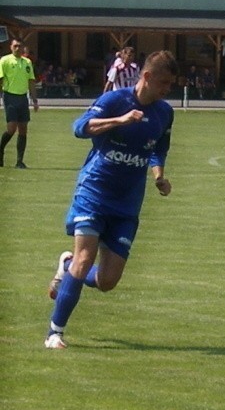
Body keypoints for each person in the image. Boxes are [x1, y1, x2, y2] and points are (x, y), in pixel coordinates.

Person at [44, 50, 179, 349]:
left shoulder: (164, 112)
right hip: (94, 192)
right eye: (164, 83)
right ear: (146, 77)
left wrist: (159, 175)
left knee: (107, 281)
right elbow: (79, 128)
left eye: (170, 84)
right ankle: (55, 332)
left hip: (127, 203)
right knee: (85, 257)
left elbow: (158, 146)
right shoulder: (114, 101)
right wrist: (120, 120)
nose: (167, 89)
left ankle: (65, 268)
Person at [0, 39, 38, 168]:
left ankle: (19, 161)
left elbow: (31, 81)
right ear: (11, 47)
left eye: (20, 46)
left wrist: (35, 100)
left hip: (23, 98)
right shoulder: (5, 60)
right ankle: (1, 150)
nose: (17, 48)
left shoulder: (27, 62)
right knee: (11, 128)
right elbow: (1, 79)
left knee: (23, 129)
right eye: (15, 46)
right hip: (10, 96)